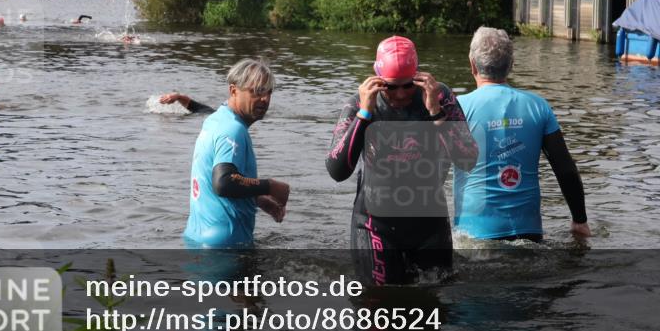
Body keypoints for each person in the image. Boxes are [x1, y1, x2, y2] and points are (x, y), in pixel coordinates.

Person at [326, 36, 479, 285]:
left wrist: (435, 113)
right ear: (377, 79)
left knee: (433, 313)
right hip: (375, 225)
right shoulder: (362, 101)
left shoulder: (440, 97)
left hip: (430, 225)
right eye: (390, 87)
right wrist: (364, 115)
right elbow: (337, 169)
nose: (399, 94)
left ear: (417, 75)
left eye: (407, 86)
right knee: (380, 310)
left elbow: (468, 160)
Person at [453, 27, 590, 242]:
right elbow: (565, 169)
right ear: (511, 66)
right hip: (530, 233)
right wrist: (579, 221)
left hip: (475, 235)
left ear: (472, 65)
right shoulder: (539, 106)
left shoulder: (457, 108)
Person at [183, 58, 290, 247]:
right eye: (256, 91)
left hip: (197, 238)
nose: (264, 99)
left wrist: (258, 198)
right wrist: (270, 186)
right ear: (233, 90)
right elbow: (224, 182)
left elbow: (214, 180)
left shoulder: (216, 120)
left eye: (268, 91)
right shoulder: (233, 130)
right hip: (225, 247)